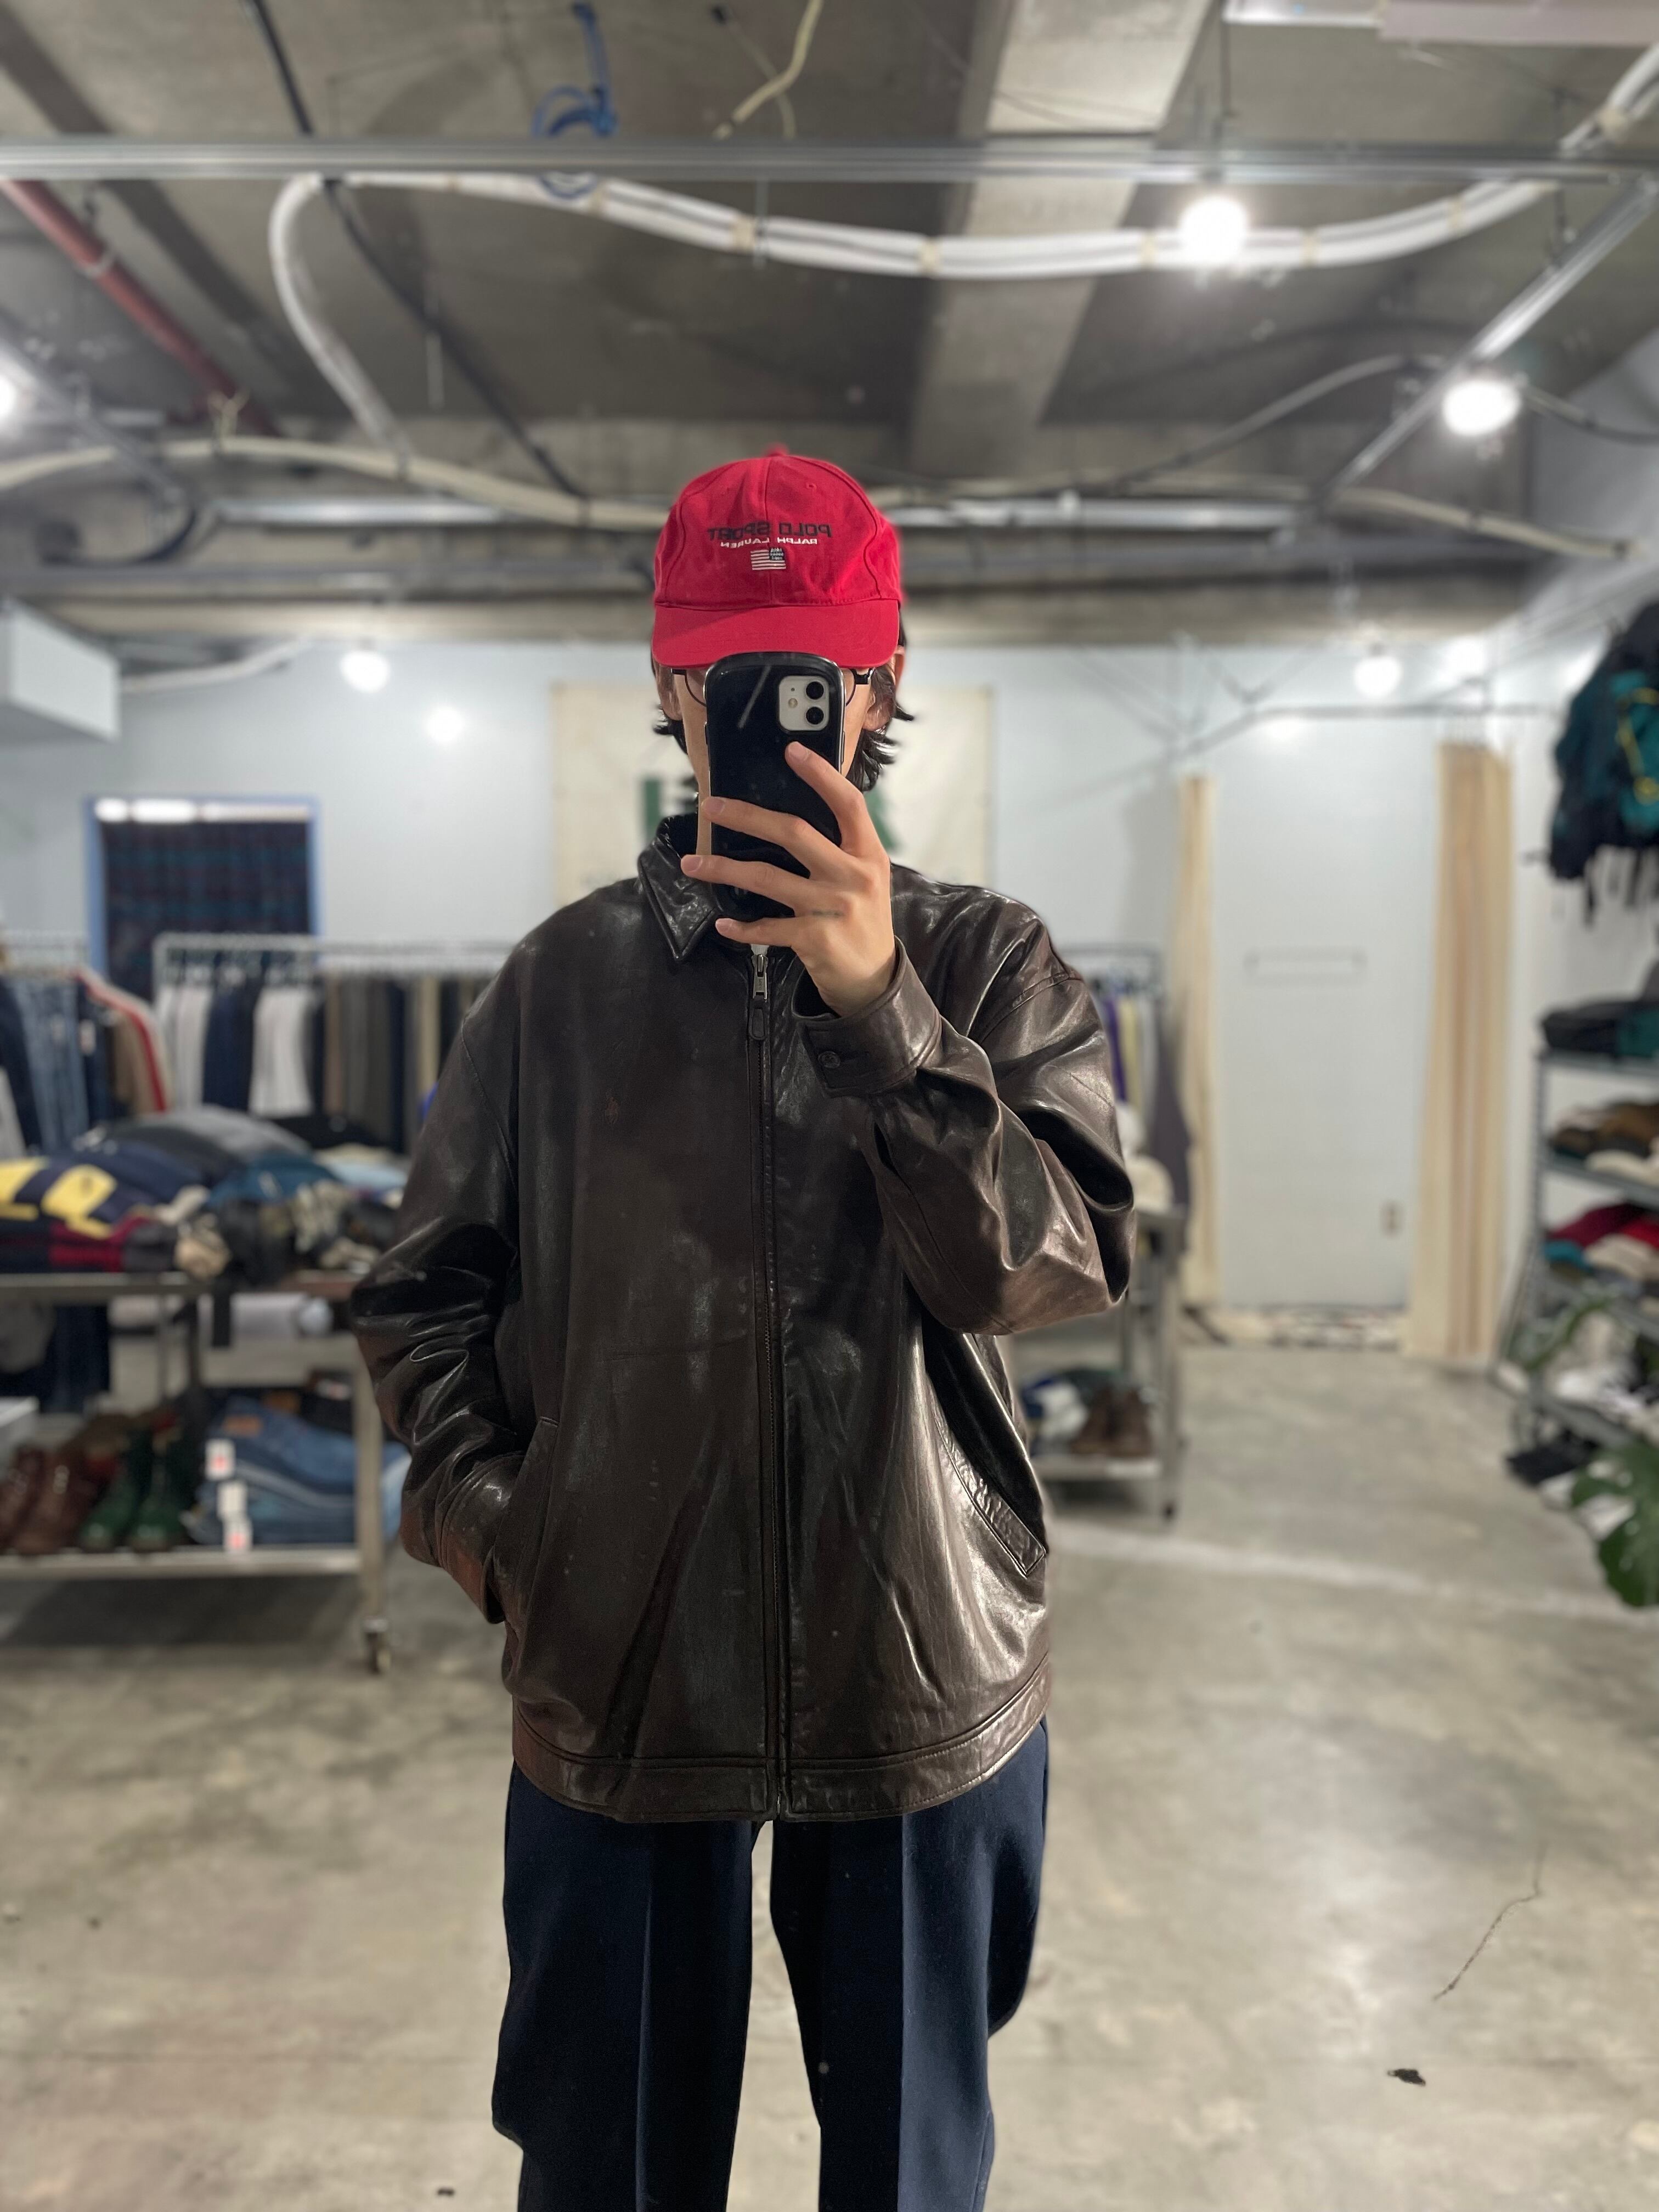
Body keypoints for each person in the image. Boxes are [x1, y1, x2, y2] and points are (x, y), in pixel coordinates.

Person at [349, 449, 1134, 2211]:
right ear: (673, 690)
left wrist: (883, 1013)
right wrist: (510, 1537)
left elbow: (1046, 1271)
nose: (781, 713)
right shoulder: (560, 986)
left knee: (908, 2176)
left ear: (881, 689)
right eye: (735, 676)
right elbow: (421, 1297)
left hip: (923, 1674)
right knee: (606, 2173)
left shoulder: (989, 967)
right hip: (621, 1679)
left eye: (818, 676)